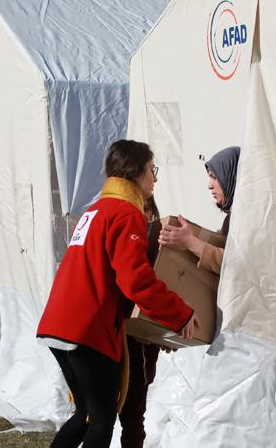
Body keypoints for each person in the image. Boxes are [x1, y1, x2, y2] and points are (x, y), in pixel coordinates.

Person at [37, 140, 198, 448]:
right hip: (86, 329)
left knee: (85, 414)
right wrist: (181, 313)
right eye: (152, 170)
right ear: (136, 172)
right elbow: (135, 281)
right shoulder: (126, 214)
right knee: (101, 418)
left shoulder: (96, 210)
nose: (155, 179)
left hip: (58, 325)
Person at [118, 195, 163, 448]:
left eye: (148, 209)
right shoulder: (124, 240)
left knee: (134, 418)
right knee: (97, 418)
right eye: (140, 208)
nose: (144, 214)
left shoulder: (156, 244)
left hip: (143, 344)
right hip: (117, 340)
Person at [158, 146, 241, 274]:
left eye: (214, 177)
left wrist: (190, 241)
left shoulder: (252, 219)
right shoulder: (231, 220)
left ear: (231, 175)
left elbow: (240, 266)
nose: (209, 185)